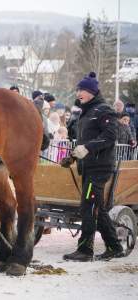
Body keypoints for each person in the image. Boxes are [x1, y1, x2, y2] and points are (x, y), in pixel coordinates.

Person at [63, 72, 124, 262]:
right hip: (88, 167)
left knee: (88, 206)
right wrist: (72, 156)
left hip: (100, 168)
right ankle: (115, 247)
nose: (78, 93)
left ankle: (85, 250)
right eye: (78, 89)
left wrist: (87, 148)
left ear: (91, 92)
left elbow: (110, 136)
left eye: (82, 90)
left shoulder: (104, 110)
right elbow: (84, 141)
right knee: (98, 207)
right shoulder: (86, 112)